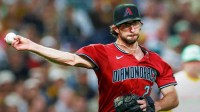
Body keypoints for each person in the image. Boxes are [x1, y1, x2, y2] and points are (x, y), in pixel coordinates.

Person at [7, 4, 179, 112]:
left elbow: (172, 97)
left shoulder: (156, 60)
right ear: (116, 29)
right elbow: (70, 59)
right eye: (126, 25)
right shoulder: (102, 52)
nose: (132, 29)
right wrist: (32, 46)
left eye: (135, 24)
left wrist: (156, 105)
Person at [173, 44, 200, 112]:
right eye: (190, 61)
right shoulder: (173, 81)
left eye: (196, 61)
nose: (193, 65)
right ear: (183, 63)